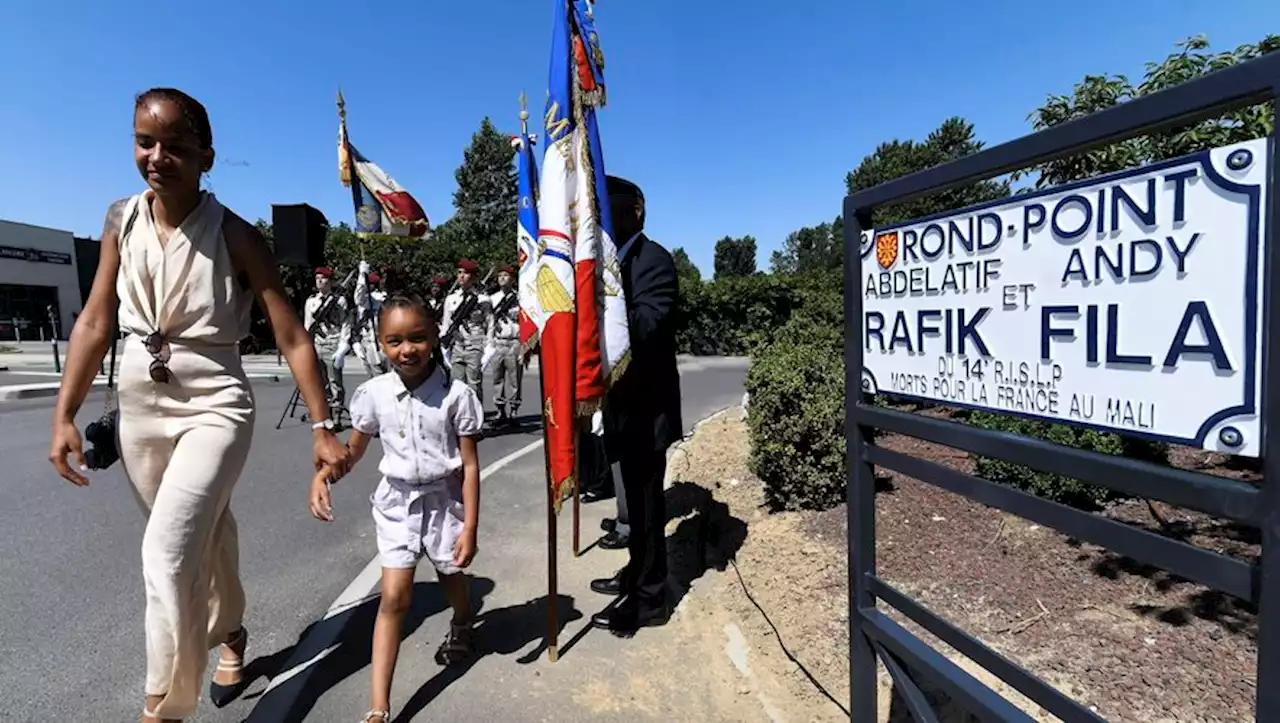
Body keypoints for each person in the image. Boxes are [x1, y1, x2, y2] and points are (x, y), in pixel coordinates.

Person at [47, 87, 350, 723]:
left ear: (206, 156)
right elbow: (96, 319)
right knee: (201, 533)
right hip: (141, 409)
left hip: (216, 403)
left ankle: (164, 705)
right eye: (144, 142)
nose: (158, 157)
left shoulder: (236, 235)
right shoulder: (118, 220)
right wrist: (63, 412)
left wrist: (323, 427)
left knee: (166, 550)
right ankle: (231, 633)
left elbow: (291, 333)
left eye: (176, 147)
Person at [309, 293, 482, 723]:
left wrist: (471, 527)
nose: (407, 350)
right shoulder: (373, 395)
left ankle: (462, 619)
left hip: (445, 502)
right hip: (397, 506)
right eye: (395, 341)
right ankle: (379, 707)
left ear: (435, 335)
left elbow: (472, 465)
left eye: (418, 338)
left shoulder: (456, 395)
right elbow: (352, 452)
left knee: (451, 575)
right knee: (393, 598)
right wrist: (323, 476)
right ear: (381, 344)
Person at [590, 176, 682, 637]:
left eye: (609, 211)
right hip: (621, 406)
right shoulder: (609, 265)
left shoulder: (654, 261)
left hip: (648, 410)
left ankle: (650, 601)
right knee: (635, 507)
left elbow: (646, 324)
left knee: (647, 507)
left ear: (636, 213)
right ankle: (636, 573)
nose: (600, 222)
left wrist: (600, 315)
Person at [305, 266, 354, 423]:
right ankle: (325, 413)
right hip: (317, 344)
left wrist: (342, 348)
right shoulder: (311, 301)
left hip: (333, 343)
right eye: (317, 277)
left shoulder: (339, 301)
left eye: (323, 278)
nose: (319, 280)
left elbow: (346, 324)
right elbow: (308, 325)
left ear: (330, 281)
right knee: (321, 381)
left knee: (335, 382)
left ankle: (337, 413)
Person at [440, 258, 491, 404]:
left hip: (475, 345)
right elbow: (446, 324)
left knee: (473, 385)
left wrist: (489, 348)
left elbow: (490, 325)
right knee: (456, 386)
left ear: (473, 277)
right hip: (456, 346)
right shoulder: (451, 299)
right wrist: (445, 347)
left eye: (466, 273)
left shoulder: (483, 299)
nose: (461, 276)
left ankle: (476, 421)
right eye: (459, 272)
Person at [487, 266, 522, 426]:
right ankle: (500, 411)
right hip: (498, 341)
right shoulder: (492, 299)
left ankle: (514, 411)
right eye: (500, 275)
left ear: (512, 279)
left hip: (514, 341)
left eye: (506, 275)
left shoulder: (520, 298)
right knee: (497, 378)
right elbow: (489, 322)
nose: (502, 278)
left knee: (515, 379)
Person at [352, 261, 388, 376]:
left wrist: (362, 276)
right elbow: (359, 296)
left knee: (379, 379)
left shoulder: (378, 298)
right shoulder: (365, 299)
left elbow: (359, 296)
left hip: (377, 342)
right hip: (367, 342)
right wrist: (362, 275)